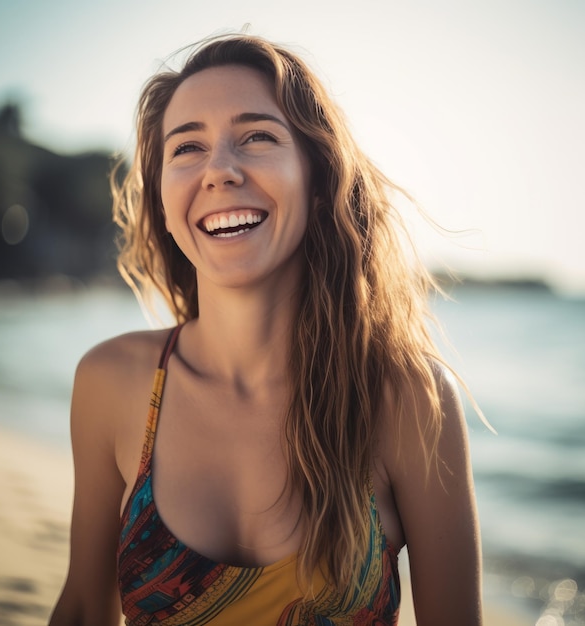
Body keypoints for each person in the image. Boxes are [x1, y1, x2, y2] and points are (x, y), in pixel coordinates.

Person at [49, 34, 482, 626]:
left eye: (257, 137)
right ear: (164, 197)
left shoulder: (408, 398)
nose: (219, 171)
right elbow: (80, 608)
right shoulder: (112, 383)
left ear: (319, 177)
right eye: (187, 148)